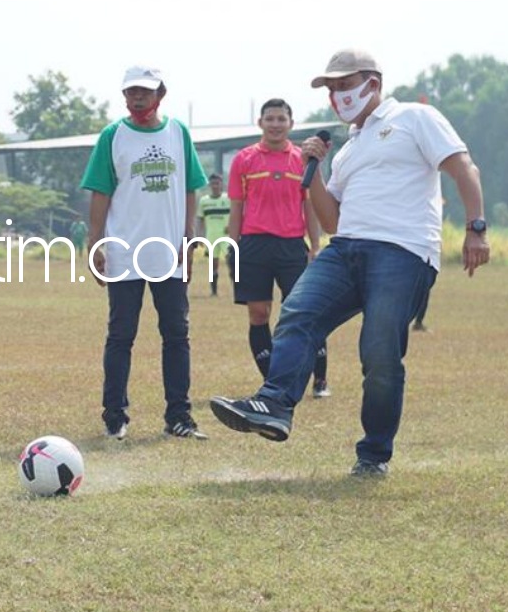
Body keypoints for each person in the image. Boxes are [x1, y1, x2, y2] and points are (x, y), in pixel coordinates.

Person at [210, 49, 490, 476]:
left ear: (373, 82)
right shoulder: (347, 150)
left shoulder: (415, 118)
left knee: (378, 352)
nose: (338, 95)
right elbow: (332, 219)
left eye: (345, 84)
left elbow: (463, 166)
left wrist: (477, 226)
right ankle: (276, 404)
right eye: (331, 88)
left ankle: (373, 455)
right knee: (299, 311)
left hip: (403, 251)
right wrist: (315, 170)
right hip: (346, 249)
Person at [82, 66, 208, 441]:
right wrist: (96, 242)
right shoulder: (113, 135)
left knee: (176, 334)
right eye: (131, 91)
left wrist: (189, 236)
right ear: (124, 96)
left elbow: (189, 188)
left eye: (145, 92)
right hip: (124, 251)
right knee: (121, 335)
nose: (138, 98)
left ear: (160, 95)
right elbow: (100, 192)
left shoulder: (177, 133)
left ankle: (179, 416)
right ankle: (115, 416)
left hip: (168, 252)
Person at [226, 98, 331, 397]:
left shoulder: (302, 160)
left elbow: (310, 207)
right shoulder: (244, 160)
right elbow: (237, 206)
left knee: (305, 313)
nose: (275, 124)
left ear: (291, 124)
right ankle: (272, 380)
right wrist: (233, 246)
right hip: (254, 246)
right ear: (260, 123)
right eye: (269, 119)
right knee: (259, 314)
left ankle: (320, 378)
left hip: (291, 246)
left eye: (280, 119)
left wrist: (315, 245)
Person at [197, 174, 232, 297]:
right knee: (213, 264)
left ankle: (236, 289)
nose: (215, 186)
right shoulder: (204, 201)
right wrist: (199, 235)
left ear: (221, 184)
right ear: (210, 185)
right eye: (213, 184)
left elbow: (237, 213)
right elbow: (200, 219)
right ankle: (214, 291)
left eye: (217, 183)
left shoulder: (228, 199)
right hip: (211, 236)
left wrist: (232, 226)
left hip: (226, 236)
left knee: (230, 261)